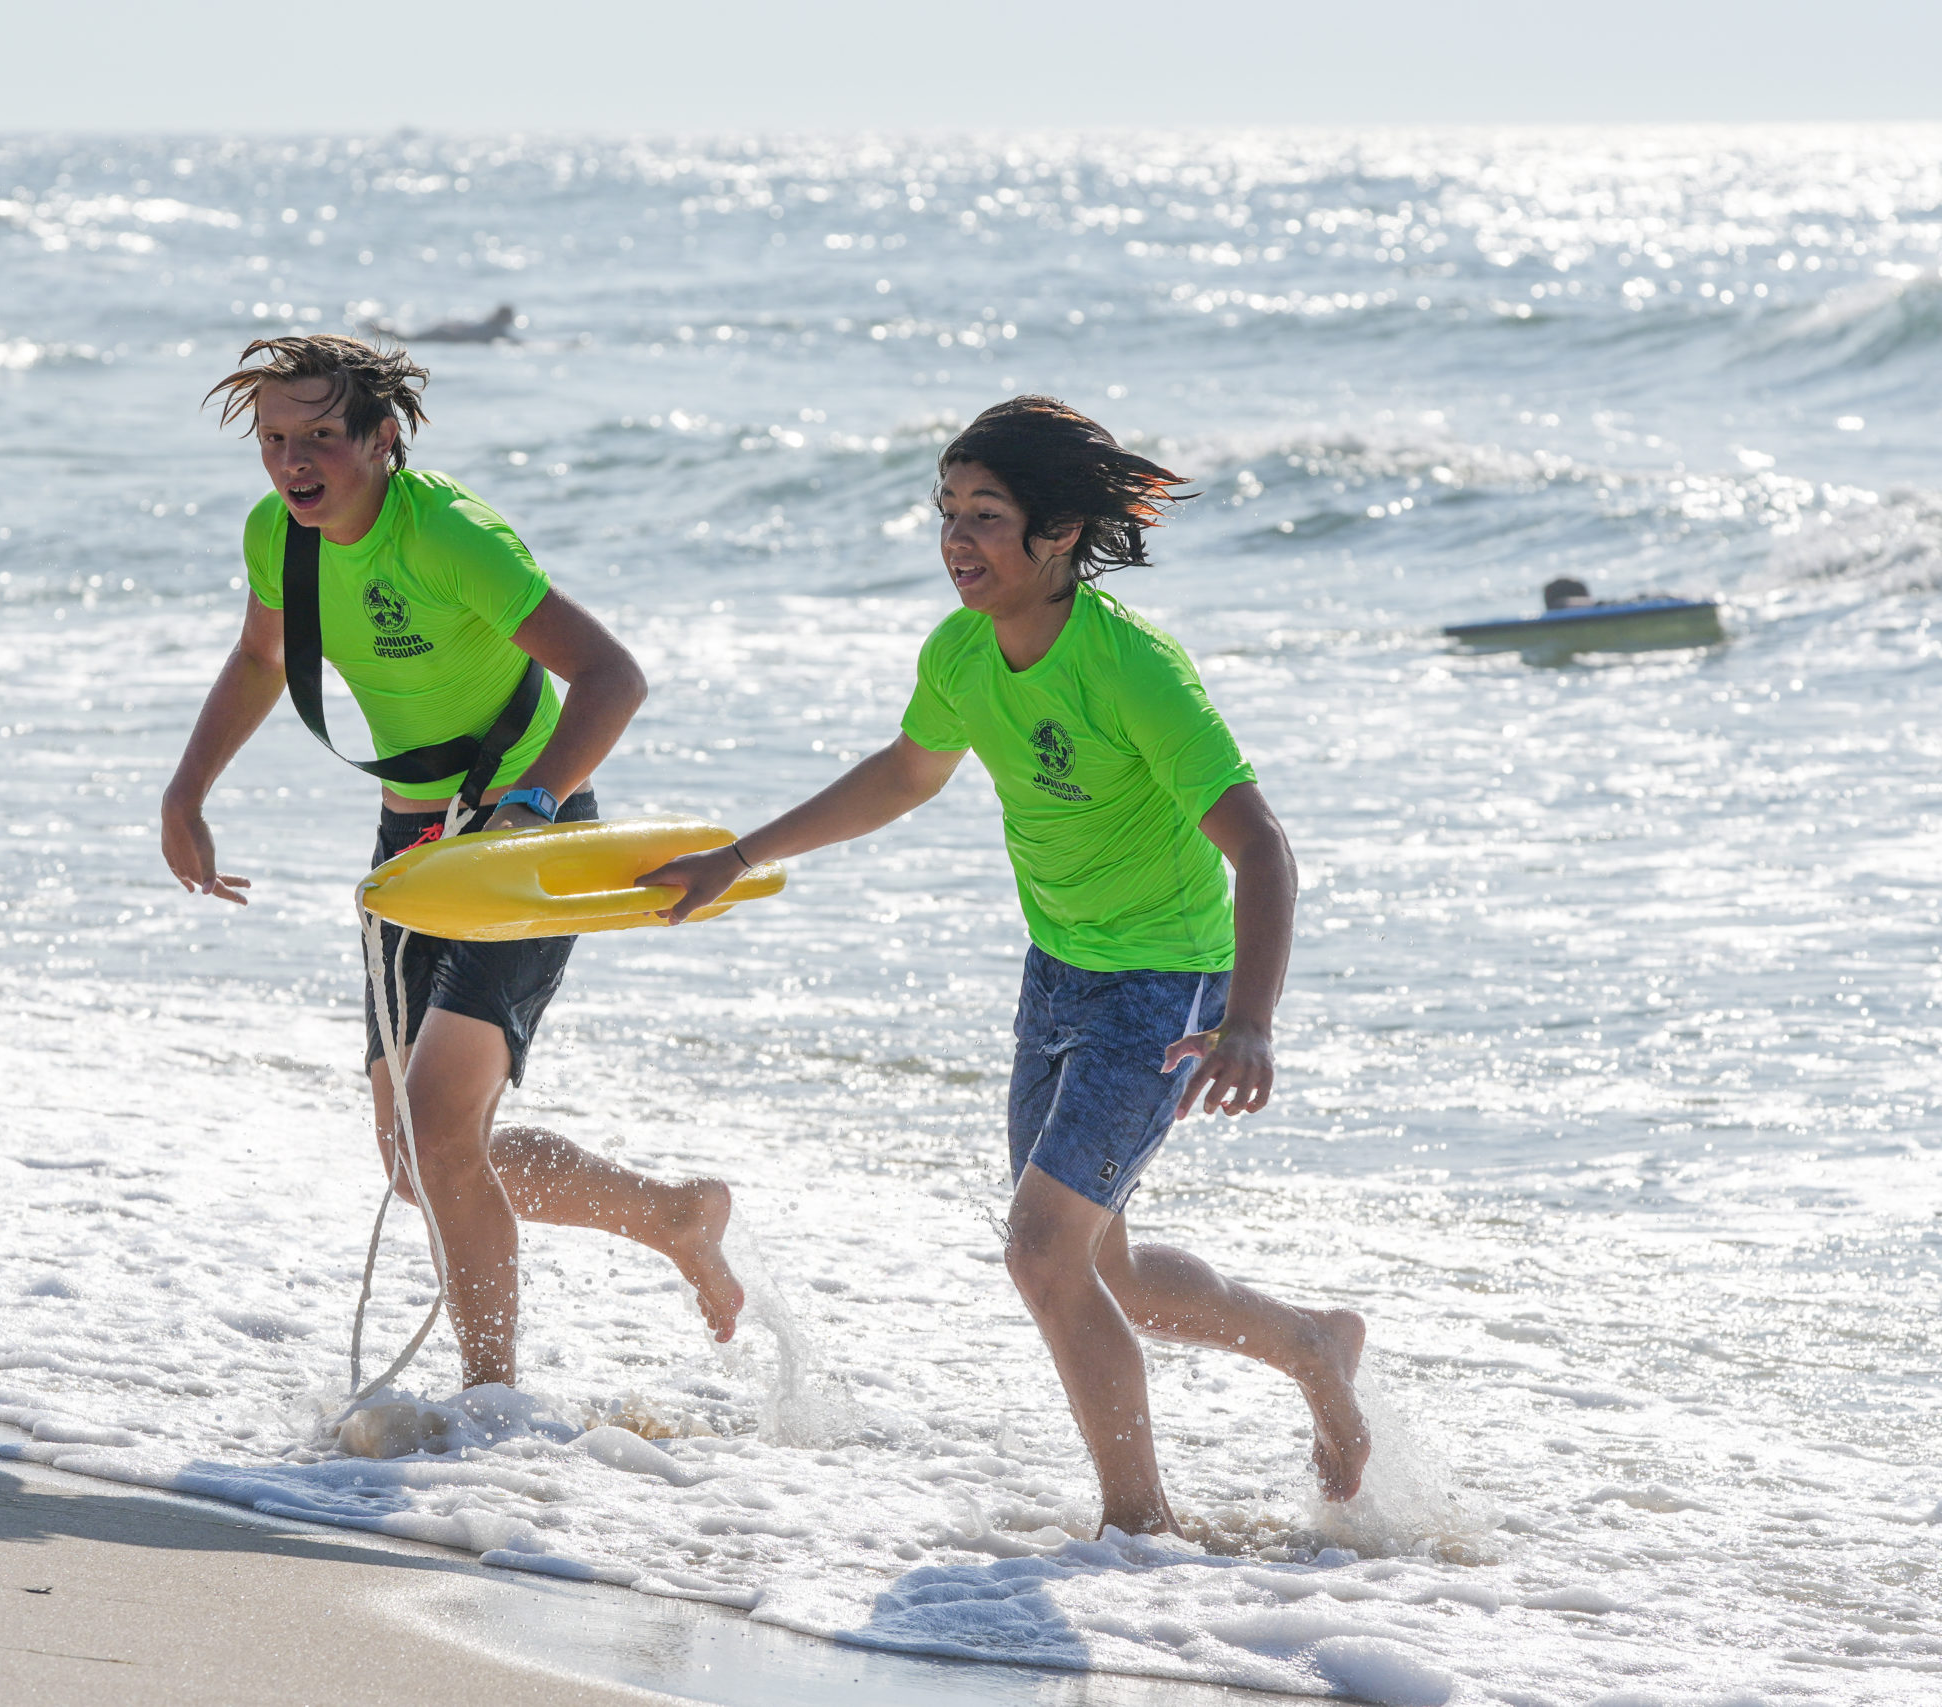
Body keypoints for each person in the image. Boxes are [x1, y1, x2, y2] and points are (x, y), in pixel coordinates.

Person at [640, 396, 1368, 1536]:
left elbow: (1262, 847)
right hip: (1058, 976)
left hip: (1166, 985)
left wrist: (1252, 1023)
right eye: (946, 512)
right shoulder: (961, 652)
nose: (956, 538)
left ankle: (1138, 1529)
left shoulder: (1132, 669)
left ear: (1060, 532)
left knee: (1039, 1253)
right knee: (1098, 1271)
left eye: (986, 514)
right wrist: (738, 857)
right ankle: (1311, 1344)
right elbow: (902, 775)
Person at [161, 334, 742, 1393]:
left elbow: (612, 676)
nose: (294, 463)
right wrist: (186, 790)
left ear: (382, 439)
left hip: (527, 841)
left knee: (436, 1132)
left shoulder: (452, 537)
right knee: (417, 1161)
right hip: (412, 854)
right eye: (275, 440)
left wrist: (531, 801)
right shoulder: (275, 537)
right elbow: (258, 658)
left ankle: (488, 1404)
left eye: (321, 438)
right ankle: (671, 1215)